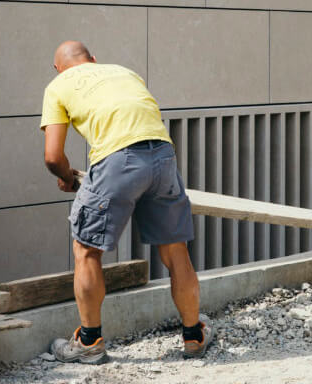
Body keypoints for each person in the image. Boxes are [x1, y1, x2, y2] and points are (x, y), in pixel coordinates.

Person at [40, 40, 213, 362]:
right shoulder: (124, 72)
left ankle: (89, 343)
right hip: (163, 155)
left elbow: (52, 157)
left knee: (87, 250)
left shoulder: (58, 85)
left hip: (117, 160)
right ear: (94, 59)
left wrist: (65, 176)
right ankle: (194, 335)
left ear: (58, 68)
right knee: (175, 249)